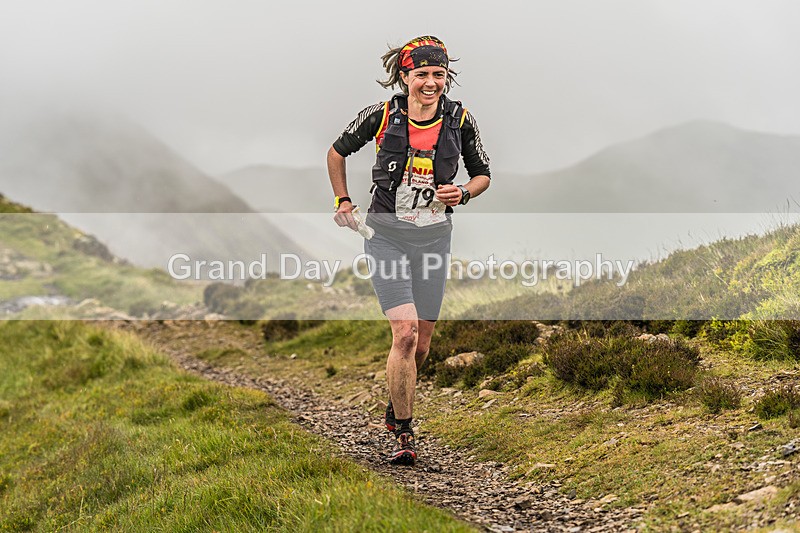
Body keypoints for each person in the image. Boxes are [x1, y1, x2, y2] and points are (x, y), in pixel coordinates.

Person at [327, 35, 491, 466]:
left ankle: (394, 405)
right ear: (405, 76)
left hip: (435, 237)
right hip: (385, 235)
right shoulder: (381, 114)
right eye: (423, 74)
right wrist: (343, 200)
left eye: (439, 75)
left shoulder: (461, 119)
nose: (432, 83)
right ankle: (404, 432)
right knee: (405, 334)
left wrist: (464, 193)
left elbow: (483, 174)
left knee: (421, 347)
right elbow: (336, 151)